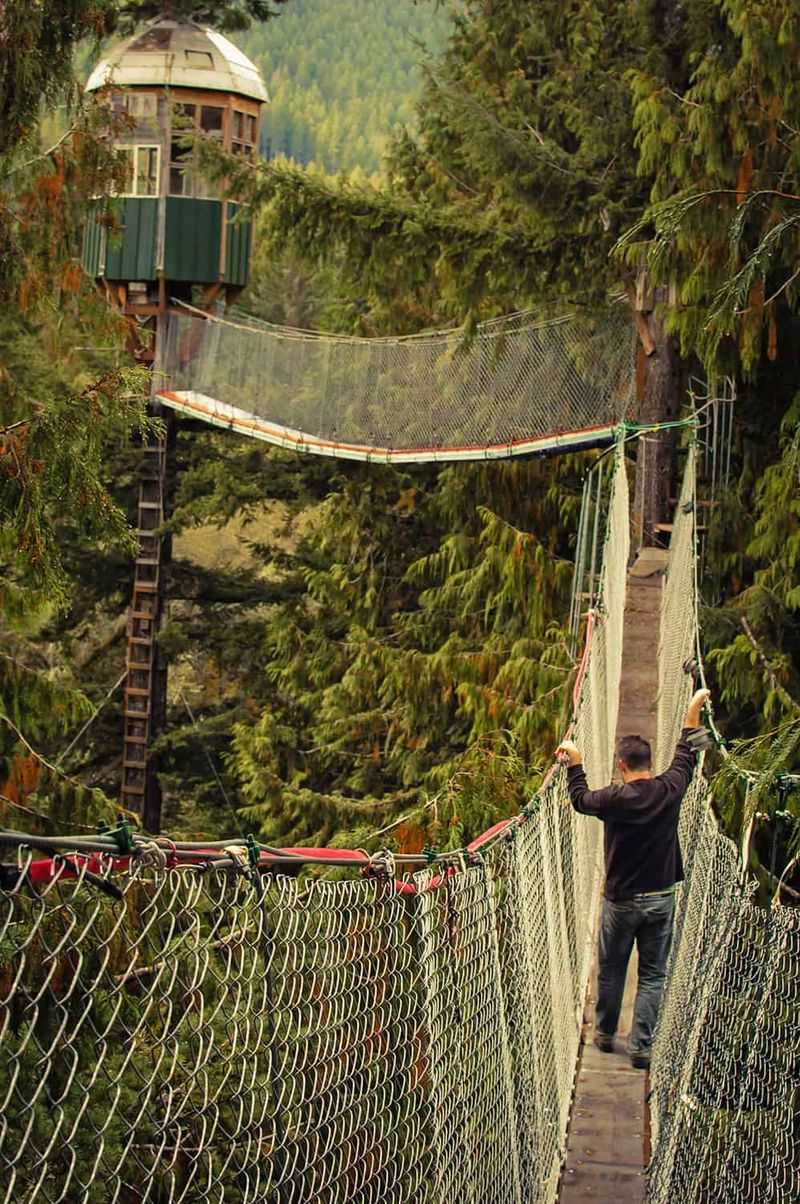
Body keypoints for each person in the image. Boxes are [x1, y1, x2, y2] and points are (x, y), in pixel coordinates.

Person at [555, 687, 710, 1070]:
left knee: (612, 969)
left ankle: (605, 1035)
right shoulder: (669, 789)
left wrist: (575, 762)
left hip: (621, 900)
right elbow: (686, 754)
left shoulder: (613, 799)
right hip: (661, 898)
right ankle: (641, 1047)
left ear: (622, 765)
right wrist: (693, 707)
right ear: (649, 764)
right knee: (653, 975)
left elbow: (580, 799)